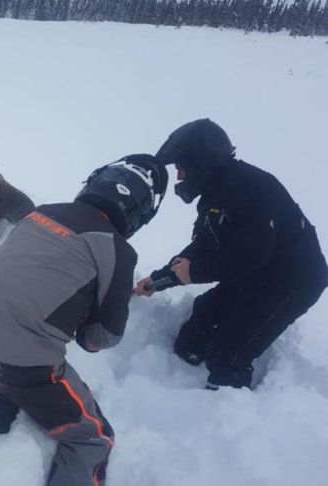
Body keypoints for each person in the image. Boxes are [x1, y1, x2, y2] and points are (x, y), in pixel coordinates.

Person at [0, 154, 168, 486]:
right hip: (19, 366)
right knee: (93, 437)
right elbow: (101, 338)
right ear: (140, 211)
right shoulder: (118, 250)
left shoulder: (40, 213)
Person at [134, 119, 328, 390]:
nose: (179, 177)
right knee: (197, 326)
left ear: (200, 162)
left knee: (227, 354)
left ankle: (228, 409)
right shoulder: (215, 194)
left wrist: (196, 273)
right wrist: (159, 281)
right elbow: (204, 245)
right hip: (256, 271)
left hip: (292, 280)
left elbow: (254, 253)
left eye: (181, 169)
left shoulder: (251, 189)